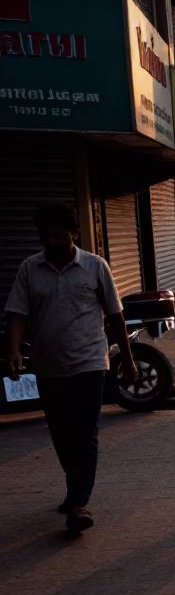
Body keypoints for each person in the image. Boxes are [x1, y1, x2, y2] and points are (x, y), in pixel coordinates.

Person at [5, 202, 137, 533]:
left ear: (74, 233)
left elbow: (116, 315)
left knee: (84, 432)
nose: (53, 242)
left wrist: (129, 358)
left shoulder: (95, 266)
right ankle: (73, 487)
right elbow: (17, 314)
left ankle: (79, 502)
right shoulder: (29, 269)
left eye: (59, 235)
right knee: (62, 434)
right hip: (48, 364)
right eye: (47, 235)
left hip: (89, 362)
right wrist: (14, 351)